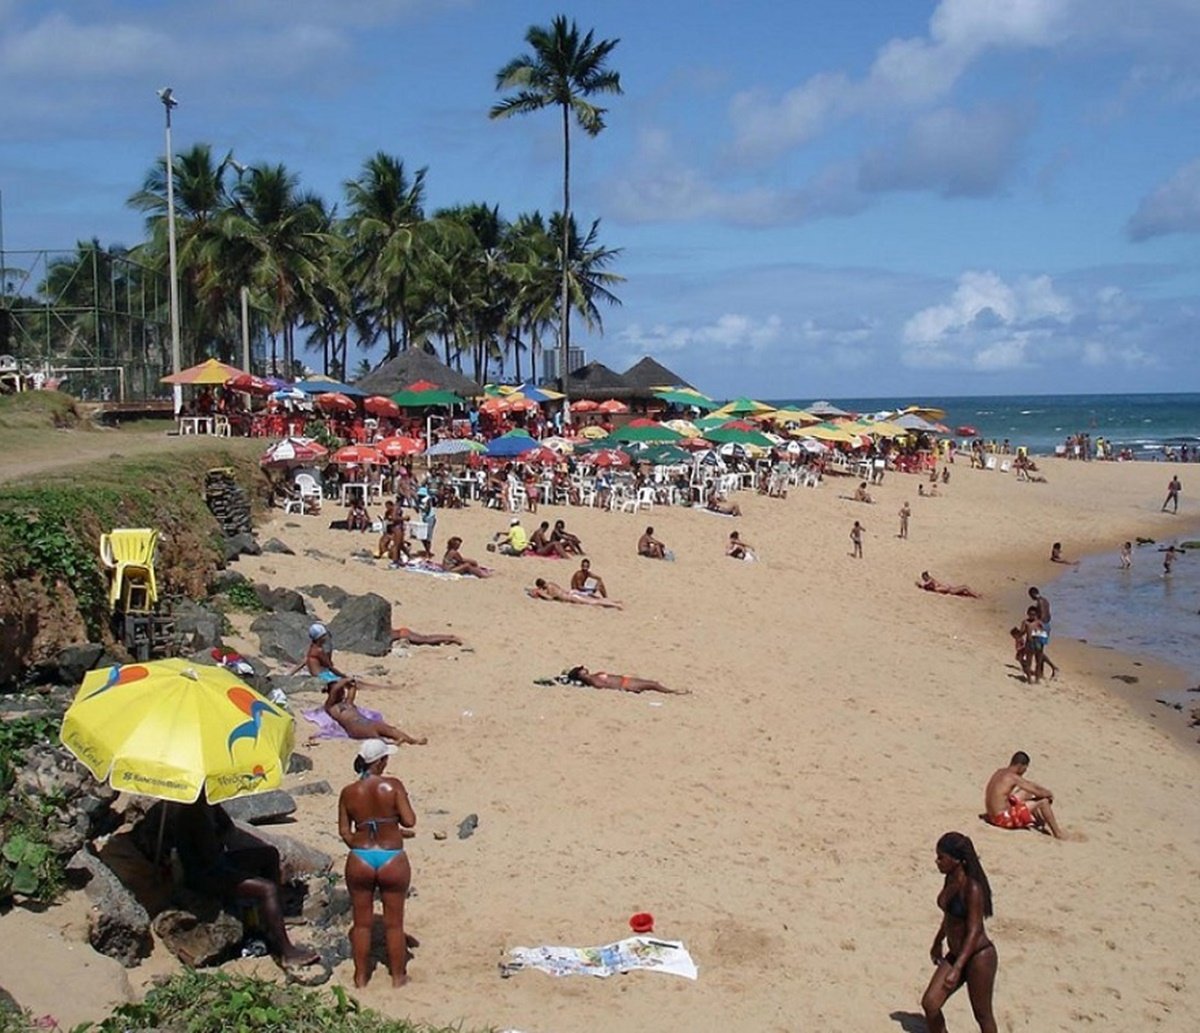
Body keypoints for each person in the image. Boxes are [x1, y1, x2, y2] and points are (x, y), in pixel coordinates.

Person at [174, 793, 320, 968]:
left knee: (269, 854)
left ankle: (276, 915)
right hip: (204, 874)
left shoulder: (208, 806)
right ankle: (287, 951)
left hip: (218, 861)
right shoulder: (190, 814)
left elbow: (227, 828)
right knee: (267, 889)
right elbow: (206, 854)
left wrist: (218, 829)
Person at [338, 740, 416, 988]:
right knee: (394, 925)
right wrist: (390, 828)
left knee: (361, 924)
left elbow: (345, 832)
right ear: (381, 762)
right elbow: (409, 820)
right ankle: (398, 977)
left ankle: (361, 978)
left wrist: (363, 842)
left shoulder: (349, 792)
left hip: (360, 857)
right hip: (391, 856)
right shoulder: (393, 786)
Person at [921, 831, 998, 1033]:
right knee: (930, 1004)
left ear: (956, 860)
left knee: (982, 1014)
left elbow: (974, 931)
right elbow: (950, 918)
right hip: (956, 953)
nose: (937, 861)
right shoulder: (950, 880)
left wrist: (957, 968)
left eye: (941, 857)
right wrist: (938, 941)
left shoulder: (972, 888)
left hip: (978, 957)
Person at [323, 673, 428, 745]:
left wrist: (351, 684)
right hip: (354, 727)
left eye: (342, 691)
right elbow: (334, 691)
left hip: (367, 722)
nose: (341, 692)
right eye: (340, 691)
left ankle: (412, 741)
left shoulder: (347, 703)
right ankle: (390, 744)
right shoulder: (330, 706)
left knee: (390, 730)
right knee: (373, 735)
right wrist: (344, 680)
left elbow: (352, 690)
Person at [984, 751, 1062, 838]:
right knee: (1043, 801)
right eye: (1025, 768)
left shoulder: (1000, 772)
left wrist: (1044, 791)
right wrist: (1048, 794)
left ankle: (1040, 822)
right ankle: (1058, 833)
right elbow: (1037, 792)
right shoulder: (1013, 777)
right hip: (1002, 819)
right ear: (1020, 766)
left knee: (1027, 792)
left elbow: (1029, 786)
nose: (1025, 771)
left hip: (991, 815)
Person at [564, 666, 689, 695]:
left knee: (652, 684)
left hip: (626, 680)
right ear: (580, 674)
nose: (585, 669)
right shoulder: (593, 681)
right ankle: (672, 692)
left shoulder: (593, 677)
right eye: (582, 670)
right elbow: (608, 686)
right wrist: (627, 689)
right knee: (653, 684)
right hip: (627, 684)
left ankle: (671, 691)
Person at [528, 578, 623, 609]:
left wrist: (540, 593)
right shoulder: (550, 583)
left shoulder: (549, 588)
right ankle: (614, 601)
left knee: (593, 602)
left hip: (570, 597)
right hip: (571, 592)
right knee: (594, 598)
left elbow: (550, 598)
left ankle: (615, 605)